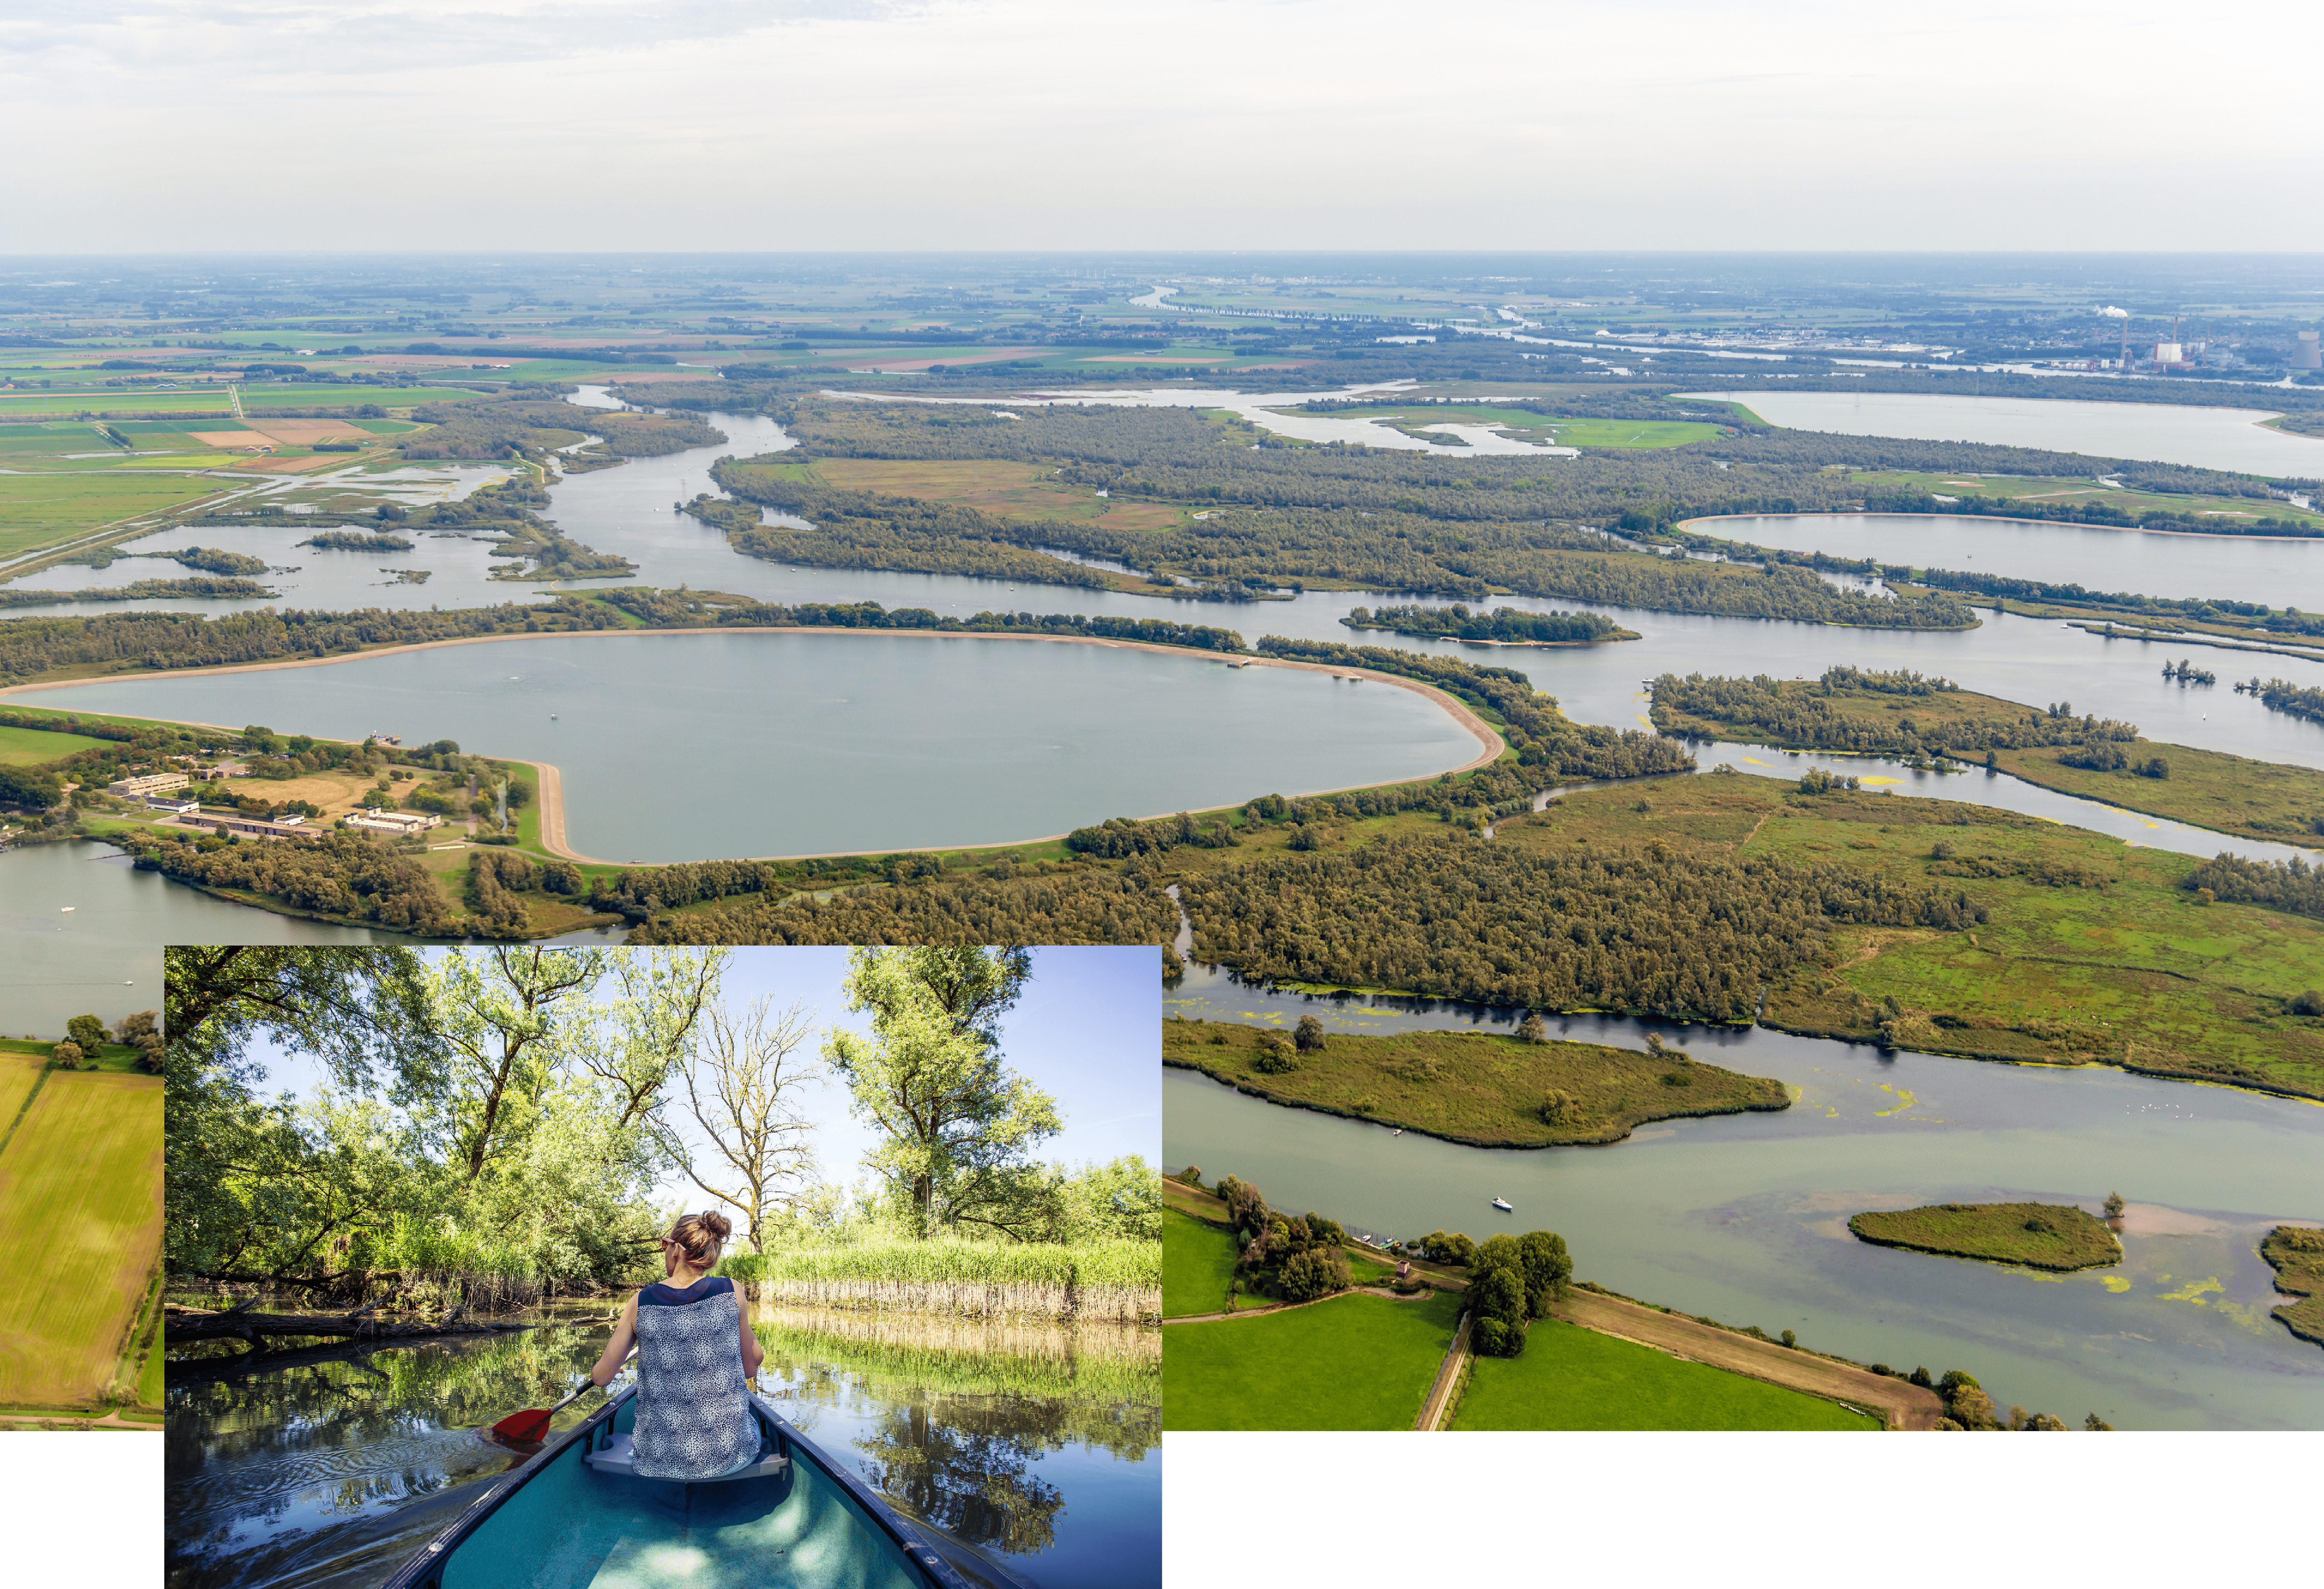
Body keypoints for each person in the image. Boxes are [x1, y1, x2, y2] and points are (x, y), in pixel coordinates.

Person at [587, 1210, 766, 1480]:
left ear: (676, 1250)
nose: (664, 1252)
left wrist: (616, 1364)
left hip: (657, 1460)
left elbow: (601, 1377)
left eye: (664, 1245)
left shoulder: (640, 1302)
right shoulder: (733, 1291)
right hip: (732, 1454)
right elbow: (751, 1367)